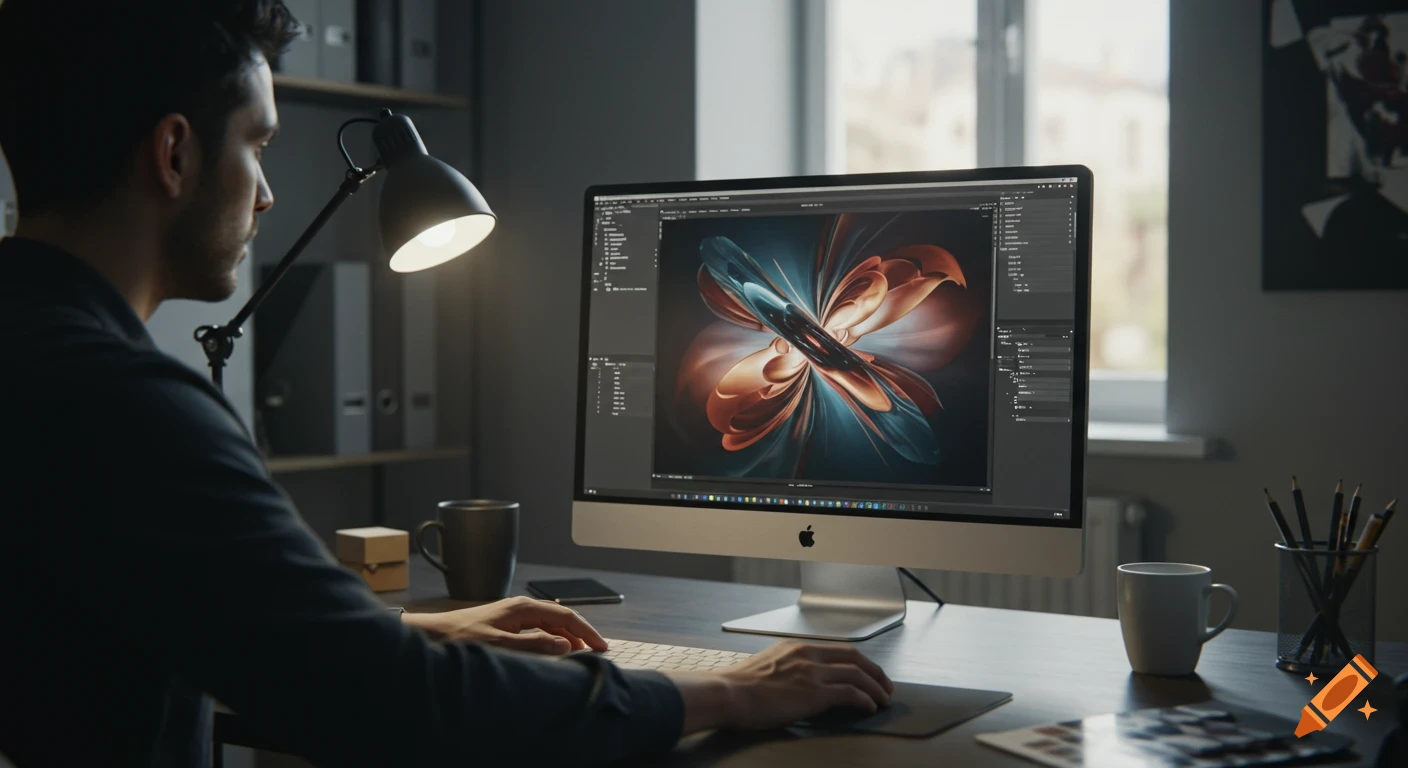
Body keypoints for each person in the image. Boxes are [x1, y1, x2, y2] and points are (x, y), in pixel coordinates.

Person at [0, 2, 892, 765]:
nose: (268, 194)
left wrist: (393, 634)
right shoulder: (124, 408)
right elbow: (396, 708)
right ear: (174, 154)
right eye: (259, 145)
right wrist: (725, 695)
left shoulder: (36, 359)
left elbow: (188, 627)